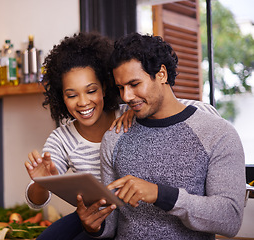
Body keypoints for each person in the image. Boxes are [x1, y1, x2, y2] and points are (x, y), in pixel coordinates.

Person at [24, 32, 222, 240]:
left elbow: (197, 111)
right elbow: (35, 201)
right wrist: (42, 182)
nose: (82, 102)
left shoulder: (132, 109)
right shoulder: (62, 138)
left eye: (91, 91)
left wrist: (138, 111)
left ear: (105, 88)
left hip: (138, 214)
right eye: (72, 95)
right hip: (98, 214)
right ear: (61, 97)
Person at [76, 33, 246, 239]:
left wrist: (160, 195)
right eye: (121, 88)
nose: (126, 97)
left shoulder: (217, 133)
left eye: (134, 84)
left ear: (162, 74)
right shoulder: (114, 137)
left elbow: (230, 218)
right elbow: (113, 222)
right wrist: (95, 226)